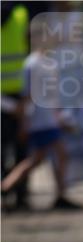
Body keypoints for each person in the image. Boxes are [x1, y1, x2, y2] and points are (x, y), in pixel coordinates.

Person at [1, 17, 81, 210]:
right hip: (40, 120)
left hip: (47, 119)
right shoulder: (32, 64)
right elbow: (28, 95)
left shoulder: (48, 63)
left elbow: (52, 96)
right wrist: (25, 122)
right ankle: (59, 195)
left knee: (39, 159)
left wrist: (60, 117)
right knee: (57, 154)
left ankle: (7, 186)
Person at [1, 2, 30, 211]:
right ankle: (18, 195)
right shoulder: (21, 13)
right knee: (20, 148)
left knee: (13, 148)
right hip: (16, 95)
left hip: (15, 96)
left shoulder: (21, 14)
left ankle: (11, 194)